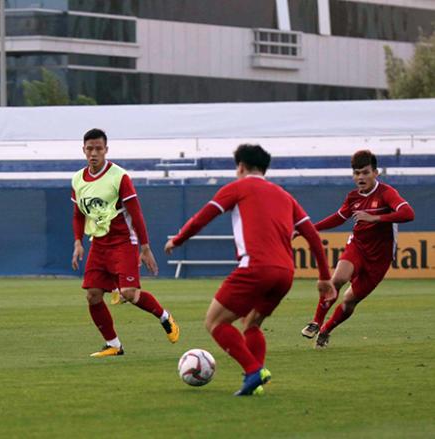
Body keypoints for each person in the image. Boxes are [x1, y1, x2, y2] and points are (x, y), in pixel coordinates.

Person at [164, 144, 336, 396]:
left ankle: (254, 370)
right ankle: (254, 382)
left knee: (215, 322)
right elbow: (311, 234)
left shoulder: (238, 187)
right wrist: (323, 277)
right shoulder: (285, 196)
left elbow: (203, 216)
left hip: (255, 268)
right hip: (285, 273)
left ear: (241, 166)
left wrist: (178, 240)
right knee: (252, 323)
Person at [71, 128, 180, 357]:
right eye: (89, 148)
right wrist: (78, 242)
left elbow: (136, 213)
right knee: (92, 294)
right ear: (83, 150)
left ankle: (164, 317)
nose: (93, 153)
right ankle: (114, 345)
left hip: (123, 242)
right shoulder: (78, 179)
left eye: (98, 148)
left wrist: (145, 247)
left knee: (129, 293)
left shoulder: (120, 177)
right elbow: (78, 214)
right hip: (99, 243)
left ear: (106, 150)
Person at [300, 150, 415, 348]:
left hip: (380, 257)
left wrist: (376, 218)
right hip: (358, 245)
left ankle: (327, 329)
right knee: (337, 279)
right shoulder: (353, 197)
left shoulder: (387, 193)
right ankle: (316, 322)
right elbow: (339, 217)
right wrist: (310, 229)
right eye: (356, 173)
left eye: (365, 172)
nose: (360, 177)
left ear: (375, 173)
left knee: (350, 300)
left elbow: (408, 213)